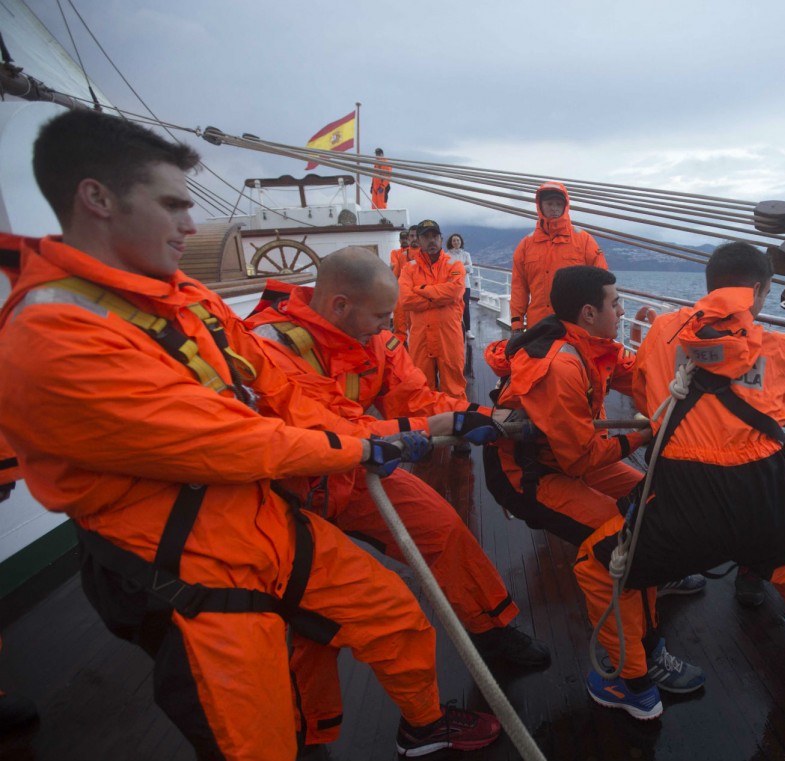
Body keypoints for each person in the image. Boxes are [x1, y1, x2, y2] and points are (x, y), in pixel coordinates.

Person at [0, 109, 500, 759]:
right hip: (181, 558)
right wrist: (361, 445)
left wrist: (381, 432)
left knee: (395, 616)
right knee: (259, 733)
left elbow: (280, 390)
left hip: (258, 515)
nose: (191, 223)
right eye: (174, 204)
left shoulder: (185, 298)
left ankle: (423, 728)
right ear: (95, 198)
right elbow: (225, 440)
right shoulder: (51, 337)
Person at [244, 248, 550, 746]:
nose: (389, 326)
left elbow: (418, 399)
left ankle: (491, 631)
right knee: (311, 624)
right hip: (286, 496)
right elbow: (326, 429)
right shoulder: (268, 347)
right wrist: (427, 427)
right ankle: (309, 733)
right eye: (382, 316)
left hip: (352, 476)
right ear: (341, 306)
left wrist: (485, 418)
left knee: (443, 528)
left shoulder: (376, 340)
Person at [574, 242, 785, 720]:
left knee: (599, 568)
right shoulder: (779, 348)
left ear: (709, 286)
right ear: (760, 291)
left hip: (687, 500)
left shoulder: (665, 332)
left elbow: (648, 398)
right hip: (766, 495)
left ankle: (636, 686)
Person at [484, 265, 706, 694]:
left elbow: (637, 376)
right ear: (589, 312)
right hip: (530, 474)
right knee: (622, 540)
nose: (622, 310)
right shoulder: (562, 366)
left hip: (566, 456)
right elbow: (583, 461)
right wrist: (644, 434)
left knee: (653, 498)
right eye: (616, 302)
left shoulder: (590, 347)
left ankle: (661, 573)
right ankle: (633, 669)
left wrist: (691, 390)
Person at [508, 182, 607, 333]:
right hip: (538, 326)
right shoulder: (526, 245)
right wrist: (517, 325)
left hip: (574, 327)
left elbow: (602, 283)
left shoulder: (584, 241)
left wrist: (599, 324)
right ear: (540, 206)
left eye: (558, 204)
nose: (554, 208)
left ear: (565, 206)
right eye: (549, 203)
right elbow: (519, 287)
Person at [399, 219, 468, 401]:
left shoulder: (455, 265)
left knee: (454, 385)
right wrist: (438, 298)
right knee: (422, 387)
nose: (431, 241)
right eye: (426, 237)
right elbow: (405, 299)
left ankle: (457, 424)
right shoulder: (409, 269)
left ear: (440, 238)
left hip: (449, 335)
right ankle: (428, 426)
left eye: (434, 236)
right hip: (421, 336)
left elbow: (454, 291)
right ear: (419, 241)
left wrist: (421, 291)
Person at [389, 226, 420, 342]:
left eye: (416, 236)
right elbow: (395, 274)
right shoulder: (401, 255)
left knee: (417, 329)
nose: (414, 238)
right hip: (403, 296)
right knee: (400, 327)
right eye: (411, 236)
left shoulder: (426, 255)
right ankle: (399, 354)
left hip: (418, 296)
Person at [446, 233, 475, 340]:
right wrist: (461, 270)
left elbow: (470, 269)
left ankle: (468, 330)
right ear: (451, 242)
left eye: (458, 240)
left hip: (465, 285)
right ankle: (456, 329)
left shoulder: (466, 254)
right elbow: (447, 271)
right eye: (454, 240)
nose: (456, 242)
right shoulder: (447, 255)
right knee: (453, 307)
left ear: (461, 242)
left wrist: (456, 270)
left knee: (465, 306)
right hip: (452, 286)